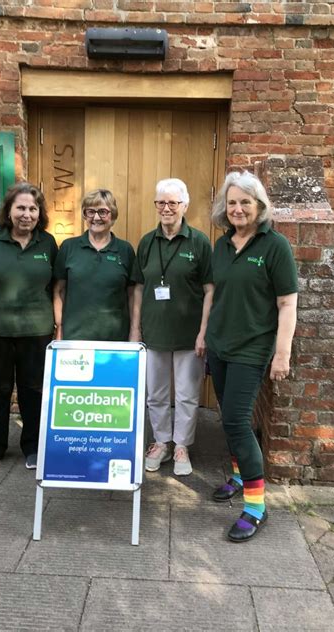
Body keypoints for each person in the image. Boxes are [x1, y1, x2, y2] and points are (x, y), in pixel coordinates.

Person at [206, 171, 298, 542]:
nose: (238, 209)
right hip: (220, 345)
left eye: (246, 202)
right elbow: (216, 295)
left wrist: (282, 353)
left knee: (237, 422)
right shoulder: (223, 245)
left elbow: (287, 303)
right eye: (232, 202)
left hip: (251, 348)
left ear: (260, 206)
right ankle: (240, 475)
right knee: (228, 417)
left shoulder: (274, 245)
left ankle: (256, 506)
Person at [0, 182, 58, 473]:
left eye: (32, 208)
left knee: (34, 391)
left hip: (37, 331)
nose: (26, 214)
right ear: (9, 211)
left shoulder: (48, 244)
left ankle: (34, 447)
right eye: (20, 208)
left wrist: (59, 326)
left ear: (39, 213)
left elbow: (57, 289)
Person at [130, 178, 214, 476]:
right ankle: (162, 441)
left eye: (173, 203)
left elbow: (210, 290)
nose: (166, 208)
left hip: (189, 335)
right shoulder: (146, 242)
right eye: (161, 203)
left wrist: (204, 331)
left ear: (185, 206)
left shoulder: (199, 242)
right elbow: (139, 288)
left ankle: (182, 445)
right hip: (154, 333)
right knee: (156, 393)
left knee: (188, 394)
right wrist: (135, 329)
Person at [53, 188, 135, 342]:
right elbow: (59, 291)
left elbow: (132, 295)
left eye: (103, 212)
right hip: (74, 338)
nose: (96, 217)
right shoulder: (69, 247)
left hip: (116, 338)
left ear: (113, 215)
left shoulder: (125, 250)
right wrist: (60, 329)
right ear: (85, 215)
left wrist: (134, 331)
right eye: (90, 211)